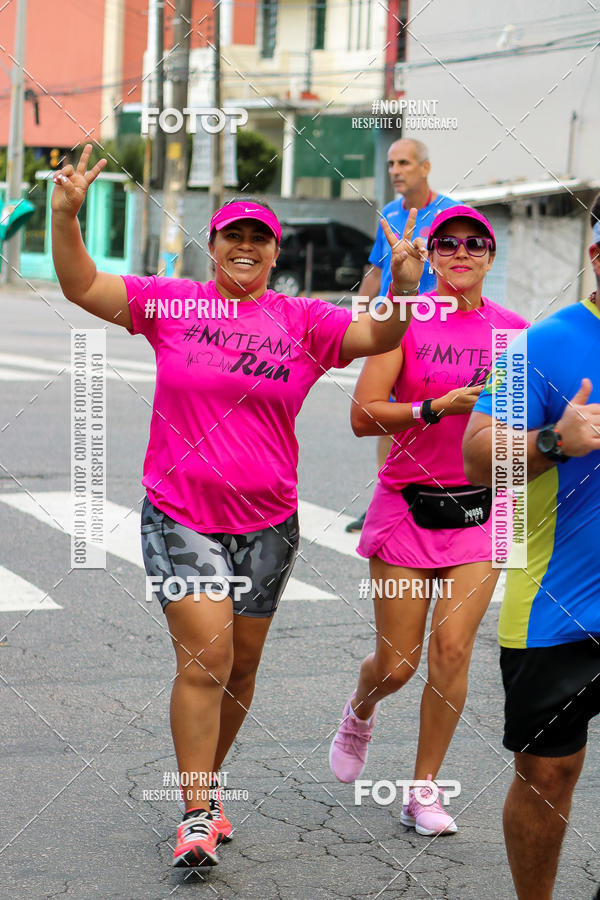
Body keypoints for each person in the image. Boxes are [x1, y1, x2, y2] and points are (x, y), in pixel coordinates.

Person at [50, 144, 424, 869]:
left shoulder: (303, 321)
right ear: (213, 245)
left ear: (274, 252)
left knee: (242, 668)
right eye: (233, 236)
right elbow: (83, 286)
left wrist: (405, 285)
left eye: (259, 238)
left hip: (269, 522)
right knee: (208, 656)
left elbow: (377, 334)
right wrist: (68, 219)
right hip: (180, 512)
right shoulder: (172, 303)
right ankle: (193, 812)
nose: (246, 247)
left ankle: (209, 786)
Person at [329, 205, 528, 836]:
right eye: (448, 243)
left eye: (476, 243)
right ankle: (361, 709)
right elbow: (364, 415)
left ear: (490, 257)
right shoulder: (409, 319)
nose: (461, 251)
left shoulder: (516, 333)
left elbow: (536, 416)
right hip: (408, 507)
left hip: (482, 510)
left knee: (452, 649)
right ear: (434, 255)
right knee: (397, 665)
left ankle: (424, 791)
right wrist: (434, 407)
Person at [462, 196, 600, 899]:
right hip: (558, 605)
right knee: (547, 773)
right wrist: (555, 442)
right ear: (597, 257)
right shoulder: (546, 345)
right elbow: (477, 456)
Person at [346, 138, 457, 532]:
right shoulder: (390, 213)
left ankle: (441, 493)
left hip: (439, 329)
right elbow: (376, 271)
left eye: (404, 163)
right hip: (396, 326)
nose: (395, 170)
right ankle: (386, 495)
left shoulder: (451, 213)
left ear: (424, 168)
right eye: (392, 163)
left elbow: (468, 265)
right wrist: (361, 320)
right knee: (385, 409)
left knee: (439, 410)